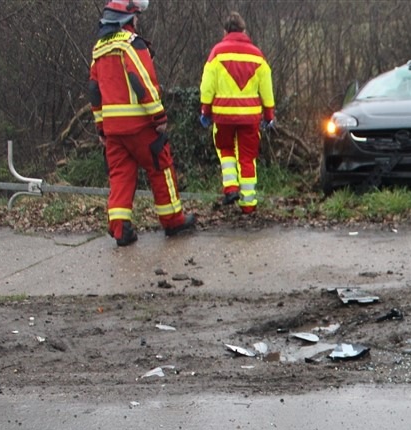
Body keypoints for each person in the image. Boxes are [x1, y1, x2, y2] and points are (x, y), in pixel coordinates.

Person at [89, 0, 196, 247]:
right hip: (140, 125)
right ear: (126, 19)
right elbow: (142, 81)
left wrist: (100, 126)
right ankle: (173, 221)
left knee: (120, 176)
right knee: (161, 166)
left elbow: (94, 91)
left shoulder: (99, 50)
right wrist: (158, 115)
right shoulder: (131, 44)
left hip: (113, 130)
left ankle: (120, 229)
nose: (137, 22)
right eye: (135, 17)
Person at [199, 12, 275, 214]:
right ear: (244, 30)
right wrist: (269, 115)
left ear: (225, 31)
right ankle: (248, 203)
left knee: (225, 149)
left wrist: (206, 110)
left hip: (223, 115)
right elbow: (266, 89)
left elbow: (207, 86)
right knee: (247, 157)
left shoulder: (217, 53)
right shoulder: (257, 55)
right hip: (250, 117)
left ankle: (231, 187)